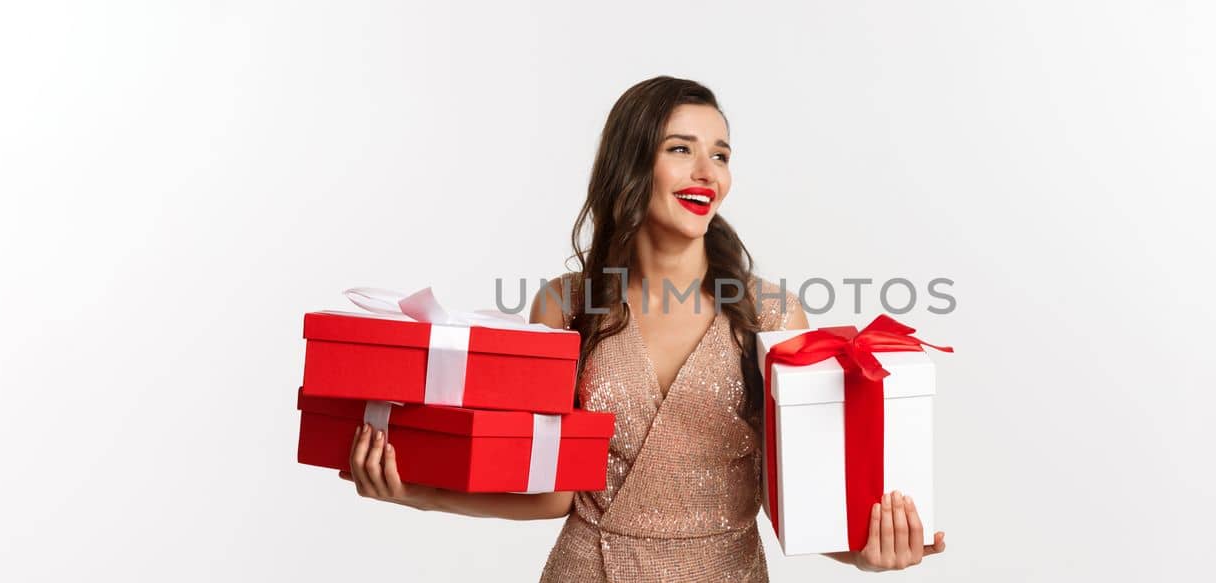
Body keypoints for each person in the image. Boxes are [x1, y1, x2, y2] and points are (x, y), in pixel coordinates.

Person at [339, 76, 945, 581]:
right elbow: (554, 494)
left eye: (722, 154)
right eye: (681, 149)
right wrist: (413, 491)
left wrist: (864, 553)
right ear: (633, 162)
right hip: (589, 569)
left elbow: (784, 496)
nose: (707, 171)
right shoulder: (565, 306)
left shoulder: (771, 315)